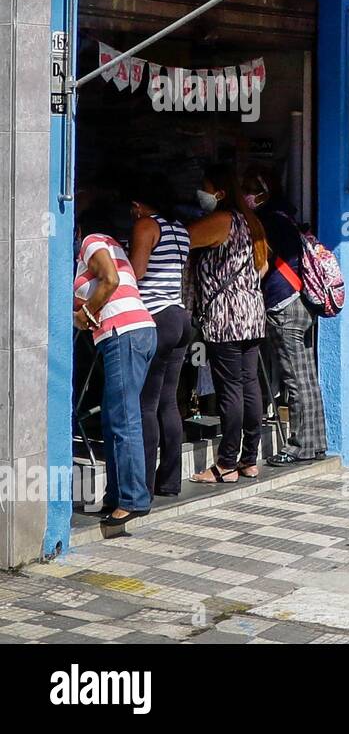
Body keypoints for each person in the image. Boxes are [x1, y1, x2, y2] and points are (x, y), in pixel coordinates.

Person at [74, 208, 157, 526]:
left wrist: (86, 313)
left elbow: (108, 280)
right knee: (114, 418)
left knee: (124, 418)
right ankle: (116, 494)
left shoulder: (93, 241)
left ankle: (134, 499)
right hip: (133, 333)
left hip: (124, 334)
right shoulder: (113, 247)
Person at [187, 165, 268, 485]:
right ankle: (249, 459)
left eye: (205, 187)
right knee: (249, 385)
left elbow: (182, 238)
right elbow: (261, 267)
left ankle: (226, 464)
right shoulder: (251, 221)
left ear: (219, 192)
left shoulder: (221, 220)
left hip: (226, 316)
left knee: (230, 389)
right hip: (251, 313)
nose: (201, 194)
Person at [245, 169, 327, 466]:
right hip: (302, 302)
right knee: (306, 377)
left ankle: (299, 447)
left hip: (284, 304)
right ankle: (314, 443)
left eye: (249, 188)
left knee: (296, 379)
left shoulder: (266, 221)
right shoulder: (286, 217)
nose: (246, 195)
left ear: (262, 192)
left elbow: (261, 264)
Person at [125, 177, 192, 497]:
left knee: (144, 405)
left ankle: (143, 486)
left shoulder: (146, 225)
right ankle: (170, 481)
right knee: (168, 403)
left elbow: (136, 273)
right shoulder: (179, 228)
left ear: (139, 204)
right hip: (179, 318)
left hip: (155, 318)